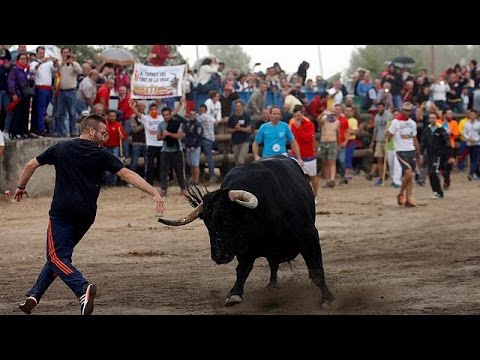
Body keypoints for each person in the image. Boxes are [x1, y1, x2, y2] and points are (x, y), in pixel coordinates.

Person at [15, 114, 164, 315]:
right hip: (86, 215)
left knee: (56, 257)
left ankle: (82, 289)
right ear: (91, 131)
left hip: (62, 212)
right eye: (103, 133)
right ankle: (34, 295)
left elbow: (30, 165)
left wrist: (20, 186)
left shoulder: (61, 148)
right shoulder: (101, 154)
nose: (104, 138)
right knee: (60, 257)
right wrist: (153, 192)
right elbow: (127, 174)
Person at [386, 102, 423, 207]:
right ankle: (401, 192)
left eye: (409, 110)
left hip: (411, 150)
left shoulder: (412, 123)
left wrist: (418, 153)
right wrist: (388, 135)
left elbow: (415, 139)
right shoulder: (395, 122)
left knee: (410, 177)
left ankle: (409, 198)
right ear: (402, 110)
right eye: (405, 110)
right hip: (401, 150)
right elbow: (390, 136)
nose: (407, 112)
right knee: (409, 173)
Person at [420, 112, 454, 199]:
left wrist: (450, 156)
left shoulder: (441, 130)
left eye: (433, 118)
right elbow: (423, 143)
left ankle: (439, 192)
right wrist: (420, 154)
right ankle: (436, 191)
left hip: (439, 155)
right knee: (431, 173)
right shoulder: (426, 130)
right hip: (429, 155)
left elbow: (447, 143)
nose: (432, 119)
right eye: (430, 118)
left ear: (436, 119)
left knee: (434, 172)